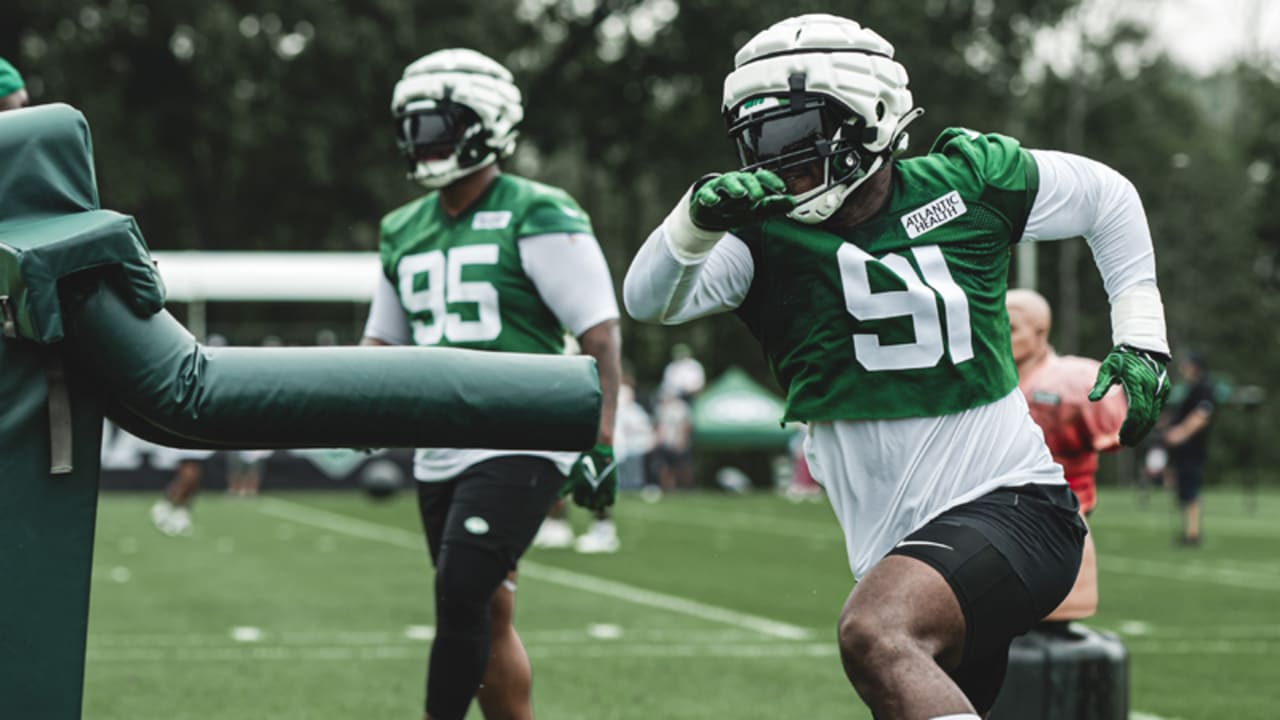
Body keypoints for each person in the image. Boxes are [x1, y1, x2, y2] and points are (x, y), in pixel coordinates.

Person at [623, 14, 1171, 719]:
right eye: (757, 139)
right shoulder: (763, 235)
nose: (774, 159)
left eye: (794, 133)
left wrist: (1142, 334)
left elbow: (1108, 197)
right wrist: (693, 222)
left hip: (1015, 507)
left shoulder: (969, 181)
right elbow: (646, 300)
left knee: (877, 633)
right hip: (902, 545)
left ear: (868, 115)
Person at [360, 48, 621, 720]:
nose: (423, 142)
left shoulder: (537, 209)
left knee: (461, 592)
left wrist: (601, 438)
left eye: (438, 124)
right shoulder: (401, 227)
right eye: (414, 127)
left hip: (522, 432)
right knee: (488, 610)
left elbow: (598, 334)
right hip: (439, 444)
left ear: (486, 123)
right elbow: (381, 344)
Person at [1007, 288, 1127, 620]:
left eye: (1012, 327)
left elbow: (1114, 433)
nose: (1001, 334)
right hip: (995, 512)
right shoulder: (989, 380)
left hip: (1060, 513)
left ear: (1040, 331)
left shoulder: (1071, 380)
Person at [1159, 351, 1216, 546]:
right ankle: (1189, 531)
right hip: (1183, 450)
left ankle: (1193, 534)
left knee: (1190, 490)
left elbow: (1201, 416)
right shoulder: (1189, 389)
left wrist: (1180, 433)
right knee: (1182, 489)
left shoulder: (1203, 388)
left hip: (1192, 448)